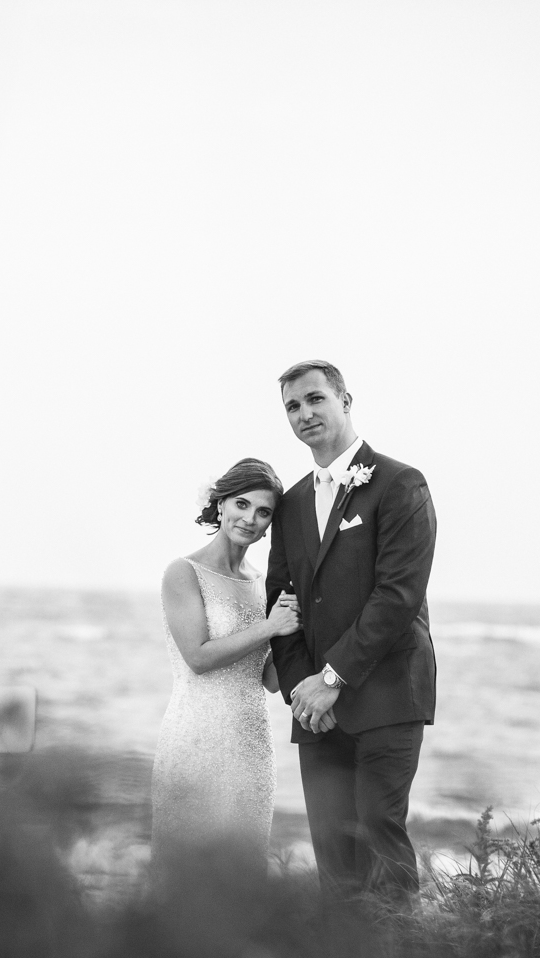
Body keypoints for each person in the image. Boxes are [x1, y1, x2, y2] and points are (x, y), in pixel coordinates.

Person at [266, 360, 437, 907]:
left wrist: (332, 678)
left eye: (315, 399)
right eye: (293, 406)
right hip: (314, 708)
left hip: (386, 695)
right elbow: (280, 603)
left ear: (345, 400)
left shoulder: (400, 483)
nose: (305, 414)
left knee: (381, 840)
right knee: (334, 863)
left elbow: (398, 596)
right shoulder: (290, 504)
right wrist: (302, 690)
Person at [151, 458, 301, 861]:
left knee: (242, 878)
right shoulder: (182, 572)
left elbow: (269, 679)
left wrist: (306, 630)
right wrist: (270, 627)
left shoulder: (263, 583)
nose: (250, 519)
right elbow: (198, 658)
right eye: (242, 504)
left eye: (263, 512)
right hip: (195, 739)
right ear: (221, 504)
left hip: (252, 746)